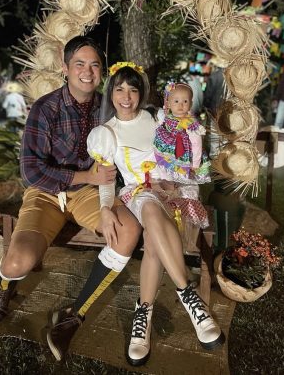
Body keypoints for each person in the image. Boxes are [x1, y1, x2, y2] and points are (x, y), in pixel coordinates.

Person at [0, 37, 141, 362]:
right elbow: (31, 173)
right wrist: (86, 177)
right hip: (47, 193)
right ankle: (4, 284)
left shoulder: (108, 108)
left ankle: (74, 314)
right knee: (18, 262)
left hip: (89, 195)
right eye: (80, 64)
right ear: (66, 67)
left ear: (102, 71)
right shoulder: (45, 108)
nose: (87, 71)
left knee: (128, 230)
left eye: (94, 64)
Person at [82, 63, 224, 367]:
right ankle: (189, 296)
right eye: (119, 88)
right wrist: (106, 210)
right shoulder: (106, 133)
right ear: (111, 92)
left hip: (172, 196)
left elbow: (183, 156)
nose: (126, 96)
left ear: (141, 92)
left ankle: (142, 315)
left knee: (152, 235)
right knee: (147, 205)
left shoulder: (158, 119)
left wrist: (177, 182)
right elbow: (107, 182)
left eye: (133, 89)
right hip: (137, 195)